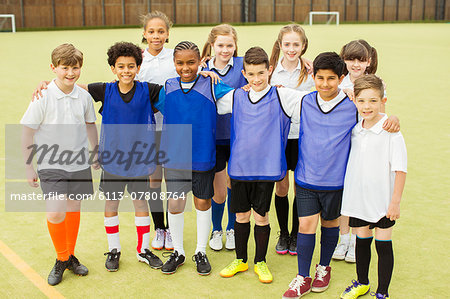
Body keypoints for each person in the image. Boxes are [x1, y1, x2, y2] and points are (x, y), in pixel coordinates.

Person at [282, 52, 400, 298]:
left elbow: (376, 117)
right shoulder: (302, 101)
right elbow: (265, 89)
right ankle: (302, 276)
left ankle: (324, 268)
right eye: (320, 78)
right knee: (305, 225)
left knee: (330, 224)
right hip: (306, 179)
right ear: (313, 76)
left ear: (342, 78)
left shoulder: (352, 106)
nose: (325, 84)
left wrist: (393, 118)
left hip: (337, 182)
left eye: (331, 79)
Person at [217, 47, 312, 284]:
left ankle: (260, 262)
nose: (256, 79)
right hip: (239, 168)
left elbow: (315, 99)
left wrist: (349, 94)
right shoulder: (236, 96)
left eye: (261, 73)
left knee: (261, 216)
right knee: (240, 216)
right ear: (244, 73)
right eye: (251, 74)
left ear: (269, 70)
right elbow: (212, 100)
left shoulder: (283, 95)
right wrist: (205, 72)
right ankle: (241, 260)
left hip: (266, 169)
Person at [21, 43, 98, 285]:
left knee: (73, 209)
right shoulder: (42, 96)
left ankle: (70, 255)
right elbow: (27, 132)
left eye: (75, 68)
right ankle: (61, 257)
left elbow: (89, 125)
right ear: (53, 68)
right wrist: (28, 166)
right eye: (65, 68)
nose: (70, 73)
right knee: (56, 212)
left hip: (78, 163)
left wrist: (95, 152)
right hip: (50, 164)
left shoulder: (84, 96)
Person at [156, 41, 231, 276]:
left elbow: (240, 97)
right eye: (180, 63)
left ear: (201, 62)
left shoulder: (211, 84)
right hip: (175, 158)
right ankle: (178, 252)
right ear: (174, 63)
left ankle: (200, 251)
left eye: (191, 62)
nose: (185, 67)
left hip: (202, 157)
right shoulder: (167, 87)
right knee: (176, 204)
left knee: (202, 202)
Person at [339, 75, 406, 299]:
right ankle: (362, 282)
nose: (367, 106)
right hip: (359, 200)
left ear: (383, 101)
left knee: (383, 244)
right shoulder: (356, 129)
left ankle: (382, 292)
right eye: (362, 101)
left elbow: (400, 169)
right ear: (355, 101)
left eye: (373, 101)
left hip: (383, 201)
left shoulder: (391, 131)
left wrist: (395, 201)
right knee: (362, 241)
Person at [200, 23, 247, 251]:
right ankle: (216, 229)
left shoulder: (242, 66)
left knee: (234, 186)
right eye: (220, 45)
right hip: (213, 139)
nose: (225, 50)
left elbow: (264, 74)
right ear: (212, 46)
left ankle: (231, 228)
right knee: (218, 191)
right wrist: (201, 74)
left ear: (235, 45)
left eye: (230, 45)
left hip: (238, 138)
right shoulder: (201, 69)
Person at [333, 39, 381, 263]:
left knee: (361, 192)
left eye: (360, 60)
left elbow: (381, 115)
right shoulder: (339, 85)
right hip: (343, 146)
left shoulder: (376, 84)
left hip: (365, 148)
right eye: (351, 59)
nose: (355, 64)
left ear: (368, 61)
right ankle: (343, 239)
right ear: (344, 60)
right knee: (345, 194)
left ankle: (356, 241)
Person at [269, 23, 315, 256]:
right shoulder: (270, 71)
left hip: (302, 137)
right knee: (281, 187)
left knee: (299, 187)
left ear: (303, 46)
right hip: (278, 138)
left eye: (296, 44)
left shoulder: (310, 72)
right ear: (280, 45)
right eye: (287, 44)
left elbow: (318, 97)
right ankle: (284, 233)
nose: (291, 48)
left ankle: (296, 233)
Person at [137, 10, 178, 251]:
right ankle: (159, 228)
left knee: (173, 180)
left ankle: (172, 229)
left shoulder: (175, 57)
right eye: (151, 31)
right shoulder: (139, 59)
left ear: (167, 34)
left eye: (161, 31)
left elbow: (192, 72)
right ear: (144, 34)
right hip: (149, 129)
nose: (156, 35)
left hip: (173, 128)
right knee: (154, 180)